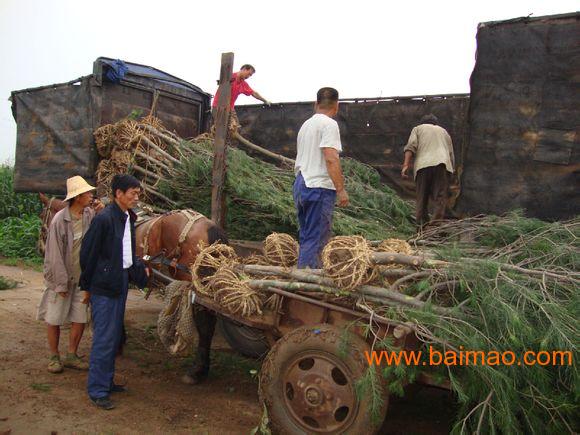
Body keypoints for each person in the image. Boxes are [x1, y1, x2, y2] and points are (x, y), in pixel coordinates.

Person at [80, 174, 149, 410]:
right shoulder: (104, 219)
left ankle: (106, 382)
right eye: (133, 193)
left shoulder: (127, 217)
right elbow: (87, 254)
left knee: (114, 335)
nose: (136, 197)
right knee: (104, 338)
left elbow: (127, 254)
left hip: (119, 282)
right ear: (118, 194)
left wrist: (139, 272)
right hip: (105, 285)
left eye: (138, 193)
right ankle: (97, 390)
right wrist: (87, 286)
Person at [37, 175, 102, 373]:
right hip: (62, 278)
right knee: (54, 318)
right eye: (87, 193)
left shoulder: (89, 215)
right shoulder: (60, 220)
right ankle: (54, 356)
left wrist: (101, 210)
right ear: (78, 197)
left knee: (80, 317)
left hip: (82, 277)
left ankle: (72, 354)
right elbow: (54, 255)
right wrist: (60, 284)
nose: (91, 196)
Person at [293, 87, 349, 269]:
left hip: (301, 184)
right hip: (318, 187)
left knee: (307, 236)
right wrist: (340, 190)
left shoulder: (306, 125)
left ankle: (301, 279)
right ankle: (308, 286)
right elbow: (331, 157)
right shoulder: (329, 124)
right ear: (337, 106)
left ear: (316, 104)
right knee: (316, 239)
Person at [401, 114, 455, 227]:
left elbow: (411, 146)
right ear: (435, 123)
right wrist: (451, 171)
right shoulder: (444, 132)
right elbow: (451, 154)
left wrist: (406, 165)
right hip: (442, 164)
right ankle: (435, 227)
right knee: (440, 197)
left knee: (422, 196)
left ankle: (421, 226)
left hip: (423, 165)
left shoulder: (418, 129)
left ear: (422, 122)